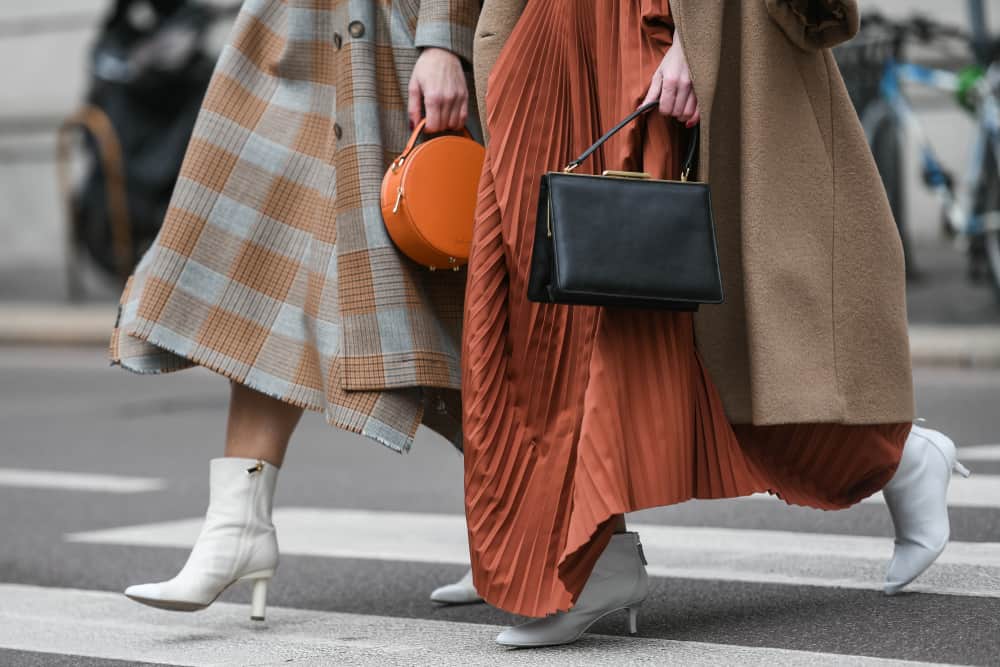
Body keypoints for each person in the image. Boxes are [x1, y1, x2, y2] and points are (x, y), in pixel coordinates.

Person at [462, 0, 970, 647]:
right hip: (551, 43)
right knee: (549, 317)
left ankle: (891, 456)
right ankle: (603, 557)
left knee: (636, 311)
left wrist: (693, 44)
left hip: (646, 33)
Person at [111, 0, 483, 619]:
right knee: (265, 274)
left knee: (435, 307)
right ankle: (236, 531)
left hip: (390, 40)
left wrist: (444, 42)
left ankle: (550, 531)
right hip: (290, 38)